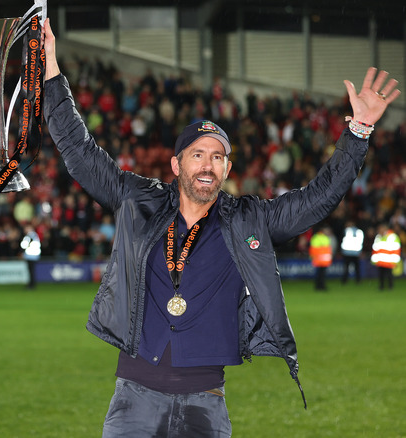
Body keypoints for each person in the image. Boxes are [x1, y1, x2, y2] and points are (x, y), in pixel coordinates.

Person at [41, 19, 400, 437]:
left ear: (228, 169)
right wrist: (49, 67)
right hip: (133, 398)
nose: (207, 164)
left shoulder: (249, 219)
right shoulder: (137, 202)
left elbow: (317, 199)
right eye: (197, 154)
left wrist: (359, 131)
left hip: (205, 404)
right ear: (177, 165)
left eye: (218, 156)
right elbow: (78, 150)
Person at [371, 223, 401, 291]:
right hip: (381, 260)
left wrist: (395, 260)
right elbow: (375, 248)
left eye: (380, 228)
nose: (379, 230)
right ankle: (381, 286)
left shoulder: (392, 236)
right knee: (381, 275)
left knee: (389, 275)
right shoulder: (378, 237)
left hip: (389, 260)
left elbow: (396, 248)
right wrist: (374, 259)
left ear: (385, 228)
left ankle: (390, 286)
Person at [309, 226, 333, 291]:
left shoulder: (316, 237)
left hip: (319, 259)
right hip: (322, 260)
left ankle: (318, 286)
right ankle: (321, 286)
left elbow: (312, 249)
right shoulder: (324, 238)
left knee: (319, 274)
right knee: (322, 274)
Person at [20, 225, 41, 289]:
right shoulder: (35, 236)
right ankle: (31, 284)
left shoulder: (30, 236)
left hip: (31, 256)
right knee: (31, 271)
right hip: (33, 256)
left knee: (31, 271)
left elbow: (24, 245)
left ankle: (31, 285)